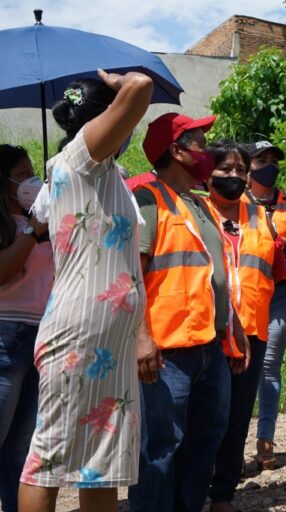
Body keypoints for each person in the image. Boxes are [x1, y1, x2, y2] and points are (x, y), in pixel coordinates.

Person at [18, 70, 152, 511]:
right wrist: (118, 82)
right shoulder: (81, 156)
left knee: (103, 461)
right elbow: (141, 87)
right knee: (50, 456)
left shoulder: (108, 171)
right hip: (78, 335)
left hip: (108, 340)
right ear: (104, 120)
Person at [128, 113, 249, 512]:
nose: (207, 150)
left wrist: (233, 327)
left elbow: (213, 272)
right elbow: (132, 276)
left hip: (209, 350)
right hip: (166, 356)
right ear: (177, 151)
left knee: (205, 441)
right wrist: (142, 338)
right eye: (199, 141)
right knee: (159, 451)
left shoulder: (199, 204)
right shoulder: (148, 200)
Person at [204, 141, 275, 512]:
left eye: (239, 170)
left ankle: (223, 494)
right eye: (225, 168)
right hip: (207, 332)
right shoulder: (196, 210)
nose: (233, 176)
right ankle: (192, 486)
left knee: (237, 416)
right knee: (204, 416)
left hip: (252, 331)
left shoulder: (260, 215)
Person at [0, 145, 52, 512]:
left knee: (21, 445)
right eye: (21, 173)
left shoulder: (41, 220)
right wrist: (33, 231)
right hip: (5, 337)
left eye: (33, 171)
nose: (30, 179)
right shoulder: (18, 226)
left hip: (40, 338)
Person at [245, 140, 286, 470]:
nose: (269, 166)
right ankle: (231, 443)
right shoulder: (235, 204)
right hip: (247, 293)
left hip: (282, 293)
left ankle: (265, 440)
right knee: (241, 367)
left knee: (268, 363)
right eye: (260, 160)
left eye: (273, 160)